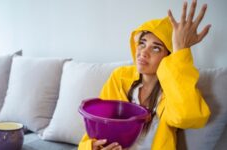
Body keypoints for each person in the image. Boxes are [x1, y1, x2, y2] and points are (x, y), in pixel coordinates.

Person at [78, 0, 211, 150]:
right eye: (142, 43)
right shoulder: (120, 77)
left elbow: (188, 117)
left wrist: (180, 51)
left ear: (168, 57)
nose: (143, 52)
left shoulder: (172, 91)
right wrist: (93, 147)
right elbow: (97, 128)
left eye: (155, 48)